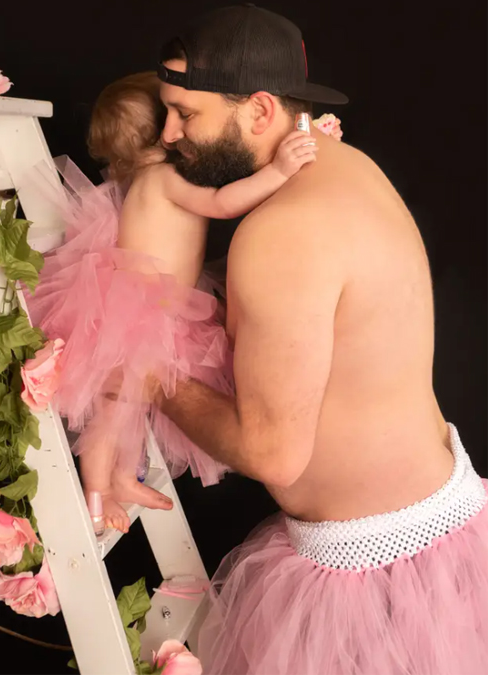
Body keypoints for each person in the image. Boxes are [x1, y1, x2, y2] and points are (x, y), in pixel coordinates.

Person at [152, 5, 488, 674]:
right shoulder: (347, 166)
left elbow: (271, 452)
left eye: (185, 114)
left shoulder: (281, 231)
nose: (167, 135)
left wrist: (145, 376)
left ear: (259, 110)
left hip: (380, 575)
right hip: (435, 532)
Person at [26, 70, 334, 533]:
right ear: (163, 135)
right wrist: (279, 170)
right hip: (139, 311)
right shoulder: (163, 179)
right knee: (113, 413)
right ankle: (96, 492)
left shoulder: (155, 178)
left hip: (159, 308)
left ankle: (118, 479)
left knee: (126, 406)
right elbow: (224, 203)